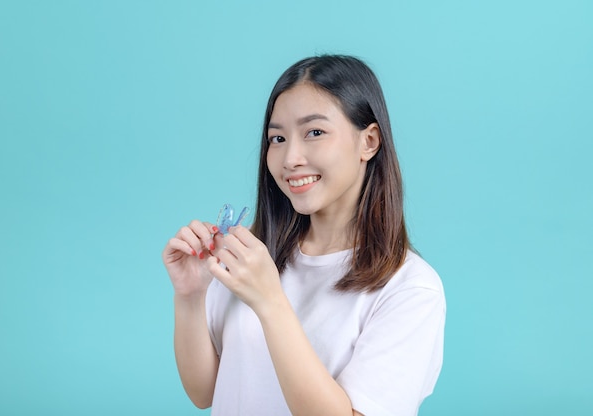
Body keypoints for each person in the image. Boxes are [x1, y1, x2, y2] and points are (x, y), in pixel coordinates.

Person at [162, 55, 446, 416]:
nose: (290, 158)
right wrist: (190, 296)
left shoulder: (410, 288)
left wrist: (270, 301)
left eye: (315, 132)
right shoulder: (253, 254)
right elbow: (205, 392)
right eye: (277, 138)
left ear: (369, 142)